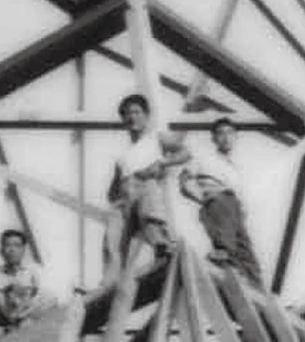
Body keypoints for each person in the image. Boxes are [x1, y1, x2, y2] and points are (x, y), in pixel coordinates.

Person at [104, 94, 187, 282]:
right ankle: (109, 280)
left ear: (146, 116)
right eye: (127, 113)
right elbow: (113, 189)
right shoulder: (122, 155)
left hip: (146, 184)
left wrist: (163, 163)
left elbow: (185, 152)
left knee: (150, 217)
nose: (132, 117)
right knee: (112, 240)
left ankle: (162, 246)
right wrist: (117, 196)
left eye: (137, 112)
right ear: (123, 119)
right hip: (124, 195)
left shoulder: (156, 138)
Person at [179, 118, 265, 286]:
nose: (225, 138)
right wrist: (203, 198)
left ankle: (257, 288)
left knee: (246, 254)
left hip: (235, 211)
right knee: (226, 251)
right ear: (213, 138)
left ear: (235, 136)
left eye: (229, 133)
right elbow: (183, 181)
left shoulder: (234, 168)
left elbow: (239, 198)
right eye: (220, 133)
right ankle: (220, 259)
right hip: (218, 203)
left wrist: (241, 213)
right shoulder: (204, 159)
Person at [0, 229, 46, 333]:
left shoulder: (33, 270)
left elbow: (41, 297)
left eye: (17, 245)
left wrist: (24, 310)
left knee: (47, 296)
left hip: (29, 315)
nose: (12, 250)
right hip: (7, 319)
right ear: (1, 250)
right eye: (7, 245)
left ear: (23, 250)